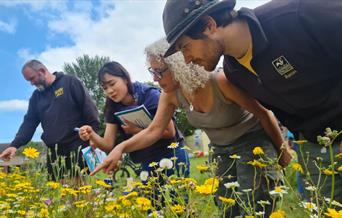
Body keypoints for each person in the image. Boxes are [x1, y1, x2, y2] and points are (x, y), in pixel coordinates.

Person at [161, 0, 342, 201]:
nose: (186, 59)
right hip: (314, 147)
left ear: (209, 25)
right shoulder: (234, 72)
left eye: (185, 47)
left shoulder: (299, 14)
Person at [91, 39, 292, 217]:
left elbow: (264, 114)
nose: (154, 79)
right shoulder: (170, 94)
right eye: (152, 72)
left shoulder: (219, 81)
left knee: (256, 207)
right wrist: (120, 148)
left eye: (159, 72)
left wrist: (282, 151)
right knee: (227, 207)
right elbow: (154, 130)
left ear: (179, 65)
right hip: (221, 149)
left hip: (253, 142)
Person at [78, 61, 190, 180]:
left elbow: (170, 132)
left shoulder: (150, 95)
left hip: (171, 153)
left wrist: (136, 130)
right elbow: (108, 144)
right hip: (146, 159)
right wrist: (91, 134)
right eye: (105, 88)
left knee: (177, 196)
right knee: (152, 198)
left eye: (112, 84)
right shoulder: (112, 106)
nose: (109, 91)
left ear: (125, 79)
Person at [0, 60, 100, 181]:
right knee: (57, 195)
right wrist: (14, 145)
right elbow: (29, 123)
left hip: (78, 146)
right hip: (55, 152)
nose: (32, 83)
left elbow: (89, 108)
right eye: (29, 81)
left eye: (32, 78)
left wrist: (94, 136)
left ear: (42, 71)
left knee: (85, 191)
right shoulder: (36, 97)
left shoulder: (70, 82)